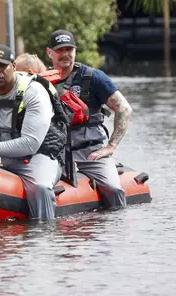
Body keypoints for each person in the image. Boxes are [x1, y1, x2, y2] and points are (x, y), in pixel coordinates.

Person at [0, 44, 66, 221]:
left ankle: (45, 236)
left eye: (2, 67)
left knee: (40, 187)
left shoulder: (35, 93)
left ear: (14, 67)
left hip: (37, 157)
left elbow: (30, 144)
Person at [46, 29, 132, 209]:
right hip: (55, 153)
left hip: (90, 153)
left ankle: (115, 228)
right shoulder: (40, 82)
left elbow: (124, 109)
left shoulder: (94, 77)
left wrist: (111, 146)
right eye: (60, 50)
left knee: (113, 189)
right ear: (50, 53)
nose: (65, 54)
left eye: (69, 49)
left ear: (75, 51)